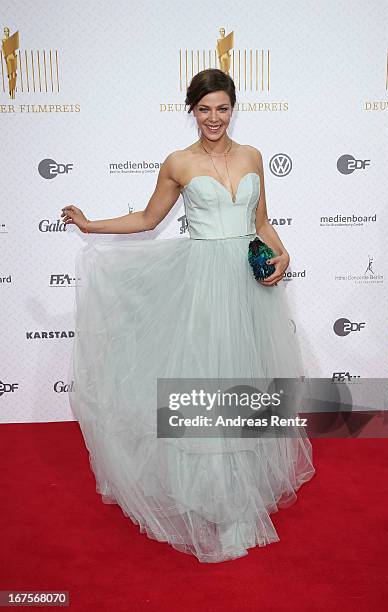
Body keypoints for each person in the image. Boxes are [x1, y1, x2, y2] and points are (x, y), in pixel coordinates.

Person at [61, 68, 315, 564]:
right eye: (204, 109)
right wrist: (90, 223)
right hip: (204, 286)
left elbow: (261, 222)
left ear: (232, 107)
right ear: (191, 111)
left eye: (222, 108)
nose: (214, 118)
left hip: (248, 287)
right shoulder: (178, 162)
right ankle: (216, 504)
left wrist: (282, 255)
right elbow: (147, 220)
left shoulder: (252, 157)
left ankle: (243, 500)